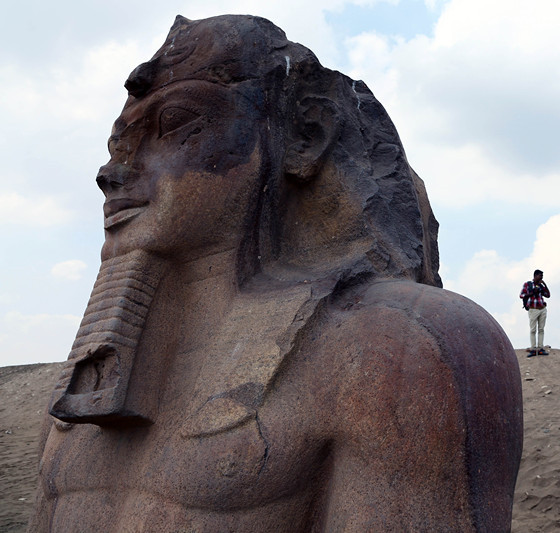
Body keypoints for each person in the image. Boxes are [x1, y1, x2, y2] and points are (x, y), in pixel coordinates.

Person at [30, 15, 523, 532]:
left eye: (171, 125)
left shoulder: (403, 350)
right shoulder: (76, 399)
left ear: (306, 135)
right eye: (119, 146)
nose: (110, 174)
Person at [520, 269, 550, 356]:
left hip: (542, 308)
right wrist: (532, 293)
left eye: (542, 276)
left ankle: (540, 348)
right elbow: (521, 295)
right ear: (535, 276)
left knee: (541, 329)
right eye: (540, 276)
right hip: (533, 309)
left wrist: (544, 284)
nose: (541, 278)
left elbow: (548, 295)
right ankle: (533, 348)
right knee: (533, 329)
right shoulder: (528, 285)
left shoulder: (540, 286)